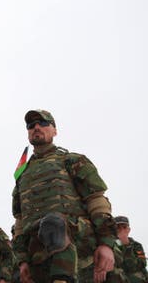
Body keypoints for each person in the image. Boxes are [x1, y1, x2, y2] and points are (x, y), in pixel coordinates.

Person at [12, 110, 118, 283]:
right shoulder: (22, 175)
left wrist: (106, 244)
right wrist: (22, 261)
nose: (36, 127)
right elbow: (20, 222)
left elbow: (96, 201)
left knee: (53, 222)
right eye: (31, 125)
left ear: (54, 130)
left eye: (43, 123)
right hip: (38, 256)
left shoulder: (72, 160)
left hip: (78, 250)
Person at [115, 216, 148, 283]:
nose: (121, 230)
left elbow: (142, 263)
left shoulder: (137, 245)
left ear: (128, 229)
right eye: (118, 227)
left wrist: (127, 245)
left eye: (124, 227)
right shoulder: (109, 246)